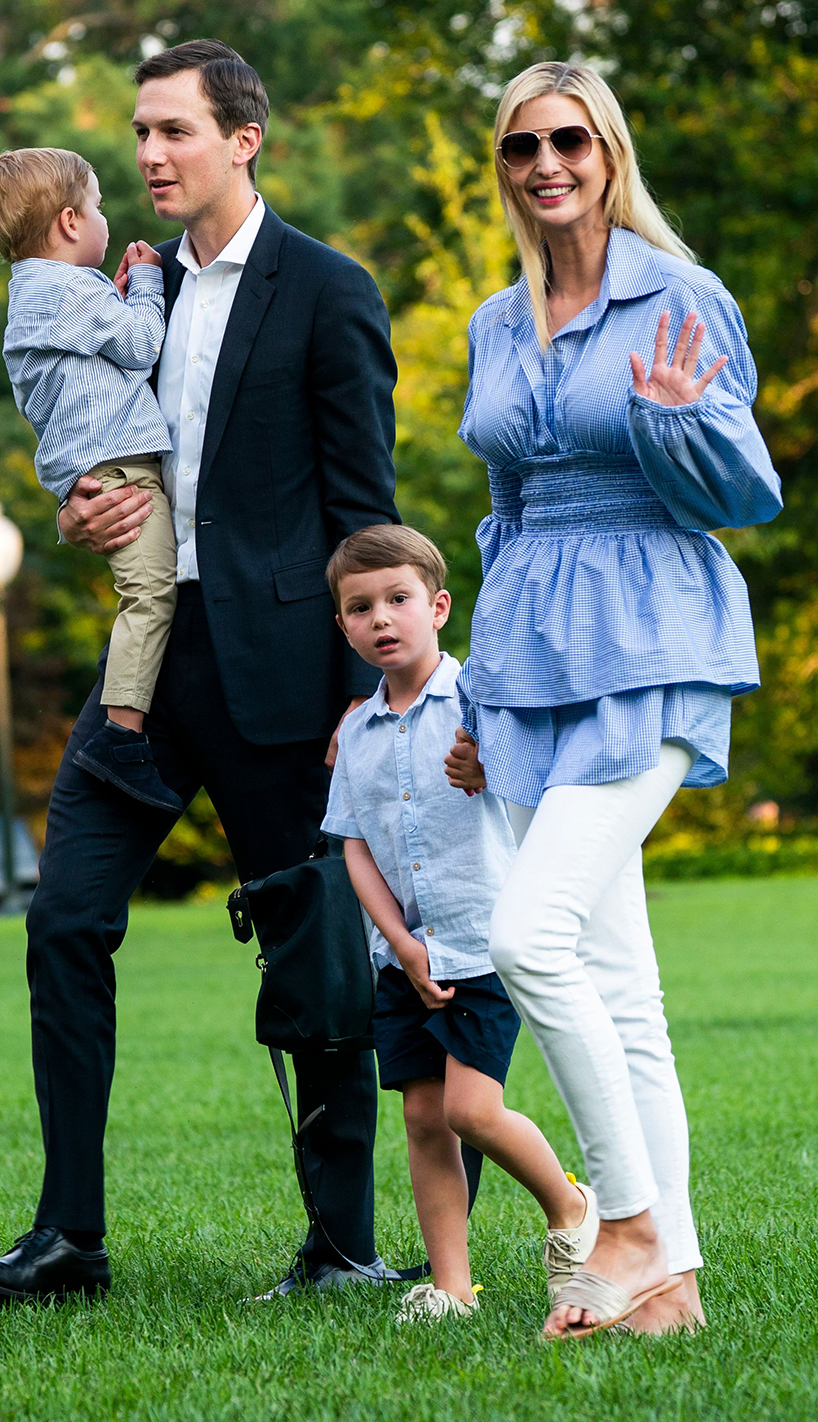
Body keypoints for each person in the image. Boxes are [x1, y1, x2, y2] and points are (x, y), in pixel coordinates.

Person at [0, 39, 410, 1304]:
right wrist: (74, 513)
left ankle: (341, 1247)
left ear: (242, 139)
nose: (149, 154)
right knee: (64, 922)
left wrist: (372, 697)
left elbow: (364, 508)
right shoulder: (106, 285)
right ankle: (67, 1240)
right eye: (139, 133)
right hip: (146, 664)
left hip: (281, 673)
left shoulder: (327, 289)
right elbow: (89, 440)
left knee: (313, 956)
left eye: (173, 132)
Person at [444, 61, 782, 1340]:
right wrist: (476, 689)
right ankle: (670, 1287)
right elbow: (503, 511)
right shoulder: (493, 319)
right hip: (529, 656)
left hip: (652, 639)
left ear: (608, 150)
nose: (545, 164)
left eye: (567, 140)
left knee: (530, 938)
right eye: (520, 146)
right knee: (614, 977)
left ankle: (626, 1223)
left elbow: (745, 495)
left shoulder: (678, 300)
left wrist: (680, 423)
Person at [322, 524, 599, 1323]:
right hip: (406, 957)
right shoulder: (358, 734)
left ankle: (571, 1210)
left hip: (482, 941)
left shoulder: (481, 699)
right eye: (360, 607)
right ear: (342, 626)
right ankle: (451, 1286)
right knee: (419, 1116)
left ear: (438, 606)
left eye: (399, 599)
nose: (382, 619)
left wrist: (492, 763)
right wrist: (401, 945)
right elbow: (355, 848)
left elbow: (542, 788)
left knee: (471, 1111)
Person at [0, 147, 181, 813]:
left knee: (142, 594)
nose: (104, 219)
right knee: (150, 596)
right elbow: (142, 348)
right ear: (68, 221)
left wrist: (112, 298)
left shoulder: (37, 292)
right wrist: (145, 284)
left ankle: (122, 729)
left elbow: (99, 366)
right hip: (122, 472)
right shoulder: (68, 291)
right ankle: (120, 737)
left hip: (94, 467)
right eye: (96, 206)